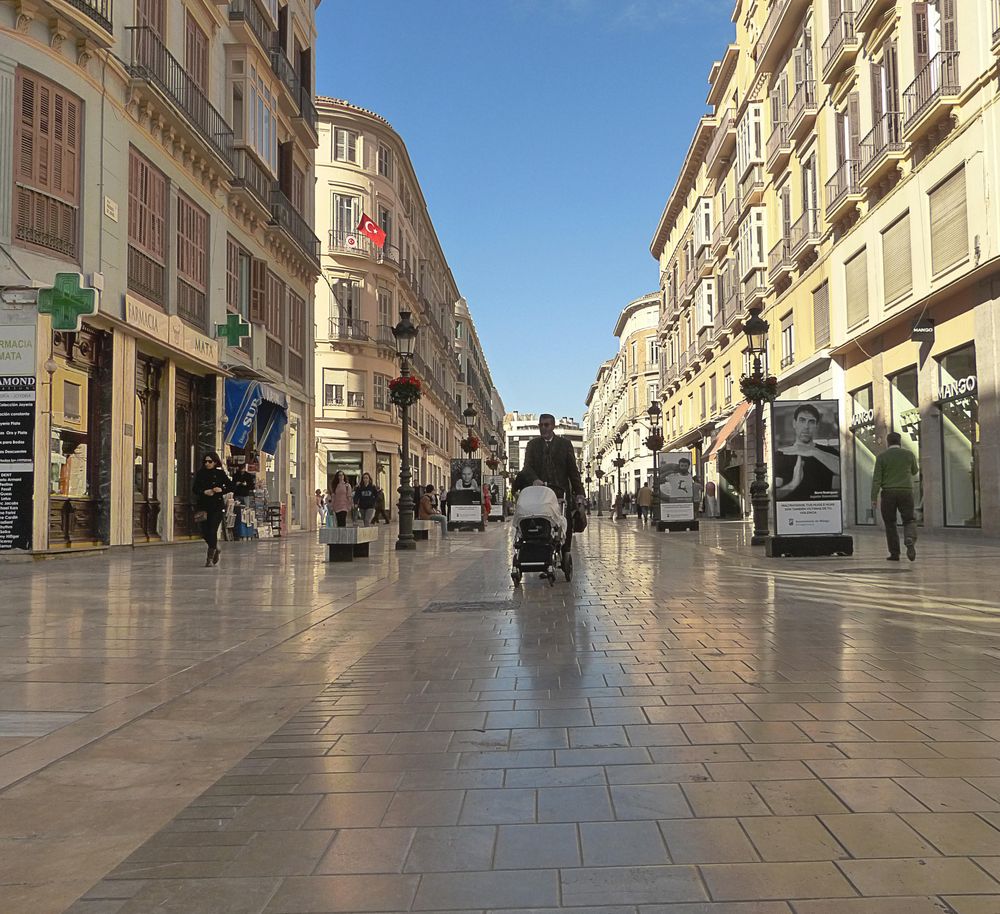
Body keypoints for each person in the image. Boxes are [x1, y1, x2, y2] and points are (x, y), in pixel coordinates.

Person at [521, 413, 585, 555]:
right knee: (542, 523)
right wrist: (534, 479)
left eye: (546, 425)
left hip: (560, 492)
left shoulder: (565, 444)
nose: (543, 428)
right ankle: (544, 554)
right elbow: (527, 467)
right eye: (541, 425)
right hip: (540, 493)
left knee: (564, 522)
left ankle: (566, 551)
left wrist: (579, 493)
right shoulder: (532, 445)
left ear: (553, 426)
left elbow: (573, 471)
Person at [774, 404, 840, 500]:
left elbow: (844, 470)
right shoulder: (781, 455)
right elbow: (774, 496)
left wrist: (813, 452)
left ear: (816, 426)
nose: (806, 426)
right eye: (802, 420)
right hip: (792, 511)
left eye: (811, 422)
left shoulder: (828, 451)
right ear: (794, 423)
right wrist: (793, 484)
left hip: (823, 510)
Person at [872, 432, 919, 562]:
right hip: (906, 492)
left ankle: (894, 553)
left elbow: (877, 479)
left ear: (888, 442)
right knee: (909, 519)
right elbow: (915, 471)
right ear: (900, 442)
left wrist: (873, 497)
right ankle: (909, 538)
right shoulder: (909, 455)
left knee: (890, 523)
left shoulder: (882, 457)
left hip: (888, 493)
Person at [192, 452, 232, 567]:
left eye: (210, 461)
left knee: (212, 529)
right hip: (203, 506)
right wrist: (204, 492)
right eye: (205, 461)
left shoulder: (220, 474)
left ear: (215, 462)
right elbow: (195, 488)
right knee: (203, 531)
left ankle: (210, 557)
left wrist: (221, 490)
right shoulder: (200, 474)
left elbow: (230, 486)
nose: (207, 464)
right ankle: (215, 547)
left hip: (216, 507)